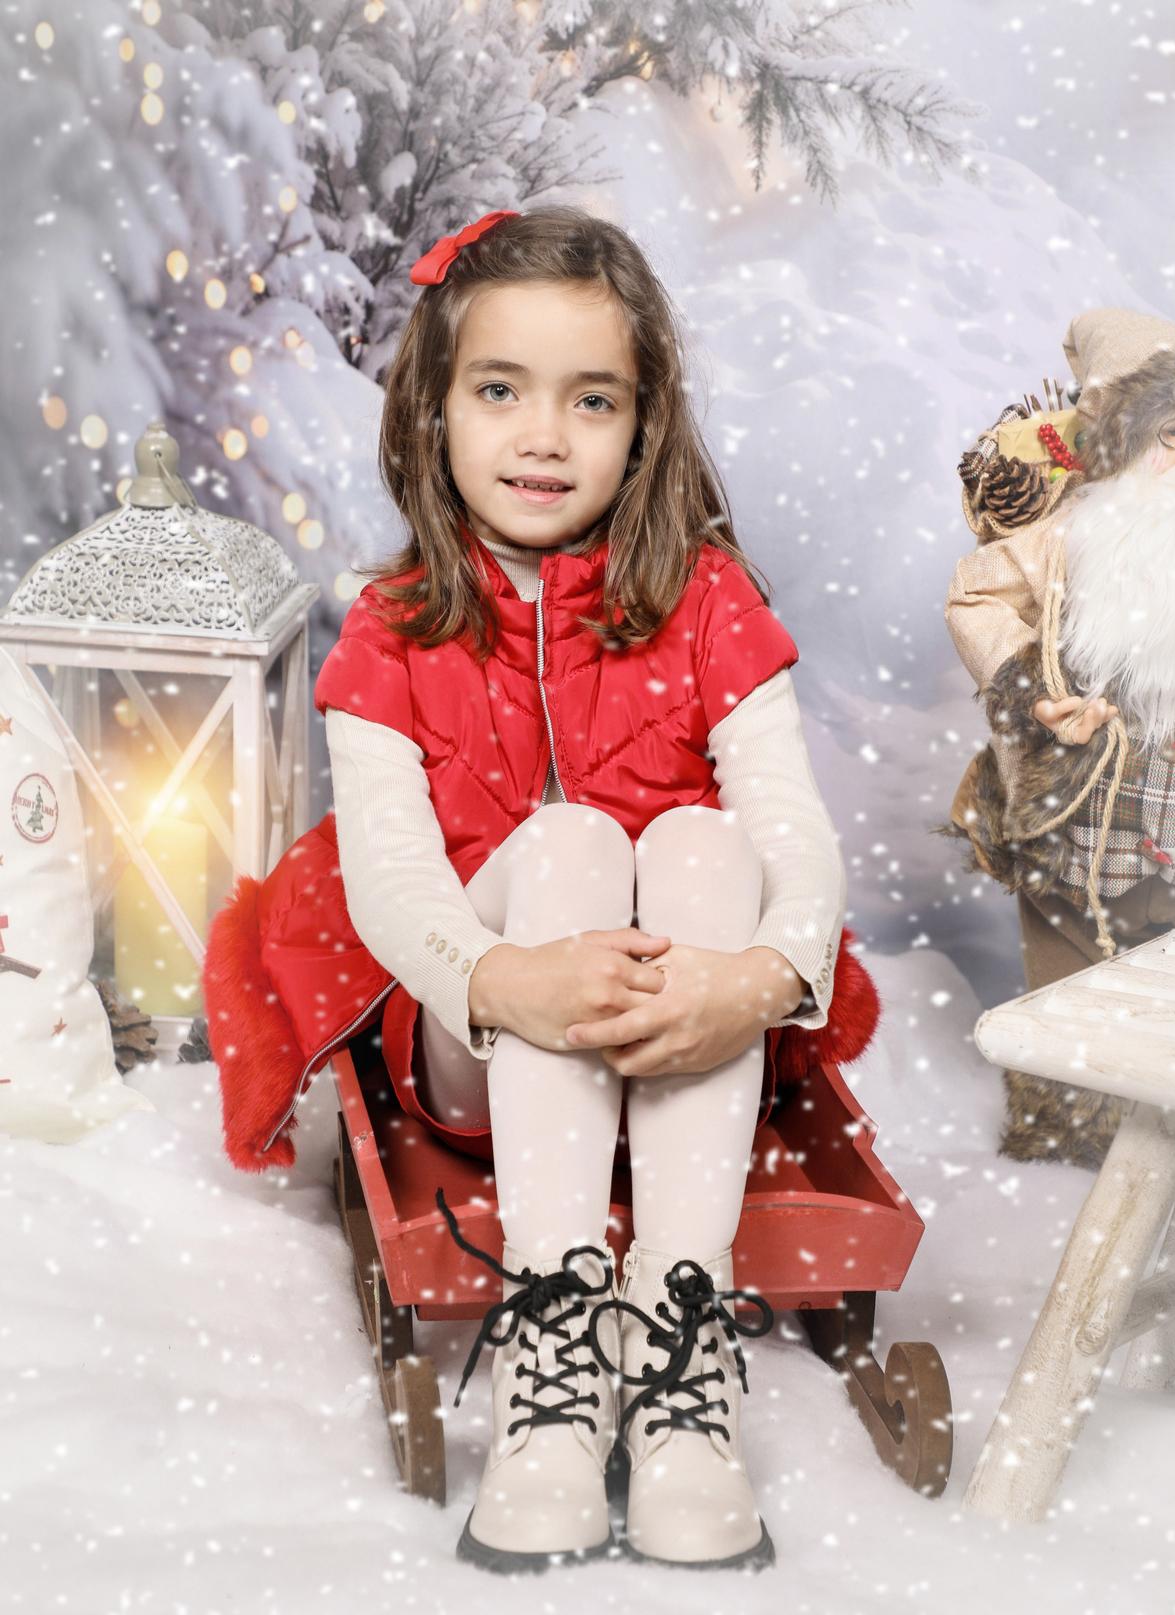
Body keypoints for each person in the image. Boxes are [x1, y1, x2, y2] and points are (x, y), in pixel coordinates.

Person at [208, 207, 861, 1574]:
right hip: (479, 1040)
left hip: (691, 1027)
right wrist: (502, 977)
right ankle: (555, 1342)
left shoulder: (707, 602)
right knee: (566, 844)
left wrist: (759, 976)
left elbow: (794, 833)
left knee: (705, 841)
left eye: (592, 399)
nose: (545, 436)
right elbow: (394, 882)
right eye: (500, 391)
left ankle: (678, 1343)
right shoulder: (393, 632)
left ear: (645, 422)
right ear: (433, 412)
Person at [945, 307, 1175, 1168]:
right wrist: (1029, 686)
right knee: (1071, 963)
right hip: (1083, 813)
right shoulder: (1066, 537)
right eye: (1170, 433)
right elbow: (977, 595)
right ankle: (1068, 1119)